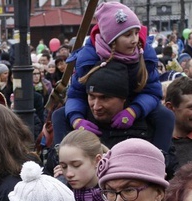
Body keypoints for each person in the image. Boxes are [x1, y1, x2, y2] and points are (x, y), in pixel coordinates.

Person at [65, 3, 166, 148]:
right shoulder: (87, 60)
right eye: (127, 35)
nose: (135, 40)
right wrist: (76, 119)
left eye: (136, 33)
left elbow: (152, 92)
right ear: (111, 38)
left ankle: (162, 156)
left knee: (165, 116)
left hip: (134, 105)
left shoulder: (145, 56)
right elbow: (76, 94)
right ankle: (58, 160)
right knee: (60, 115)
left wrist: (134, 111)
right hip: (96, 107)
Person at [54, 129, 109, 201]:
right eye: (64, 166)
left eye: (76, 165)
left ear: (97, 160)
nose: (69, 174)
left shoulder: (116, 196)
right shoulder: (61, 198)